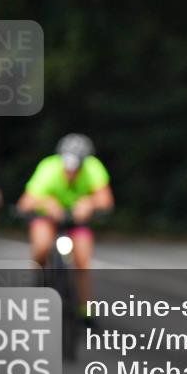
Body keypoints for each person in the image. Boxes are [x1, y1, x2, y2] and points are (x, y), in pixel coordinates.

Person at [17, 134, 113, 316]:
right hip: (47, 218)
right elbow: (25, 202)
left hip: (77, 221)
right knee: (42, 246)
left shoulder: (93, 168)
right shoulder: (48, 168)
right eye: (67, 166)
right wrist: (45, 203)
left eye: (75, 168)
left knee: (83, 260)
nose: (70, 173)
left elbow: (106, 200)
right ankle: (39, 279)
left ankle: (85, 309)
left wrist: (90, 203)